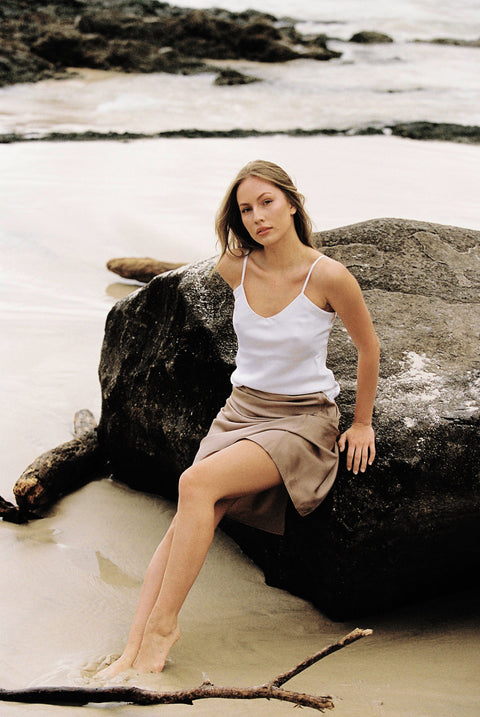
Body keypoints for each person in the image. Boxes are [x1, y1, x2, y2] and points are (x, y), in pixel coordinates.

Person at [97, 159, 380, 678]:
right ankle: (133, 647)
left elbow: (368, 349)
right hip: (240, 411)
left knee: (196, 483)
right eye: (245, 209)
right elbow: (184, 280)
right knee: (188, 514)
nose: (257, 217)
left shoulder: (328, 275)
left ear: (292, 203)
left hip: (300, 420)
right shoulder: (236, 267)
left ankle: (163, 629)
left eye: (267, 202)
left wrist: (361, 423)